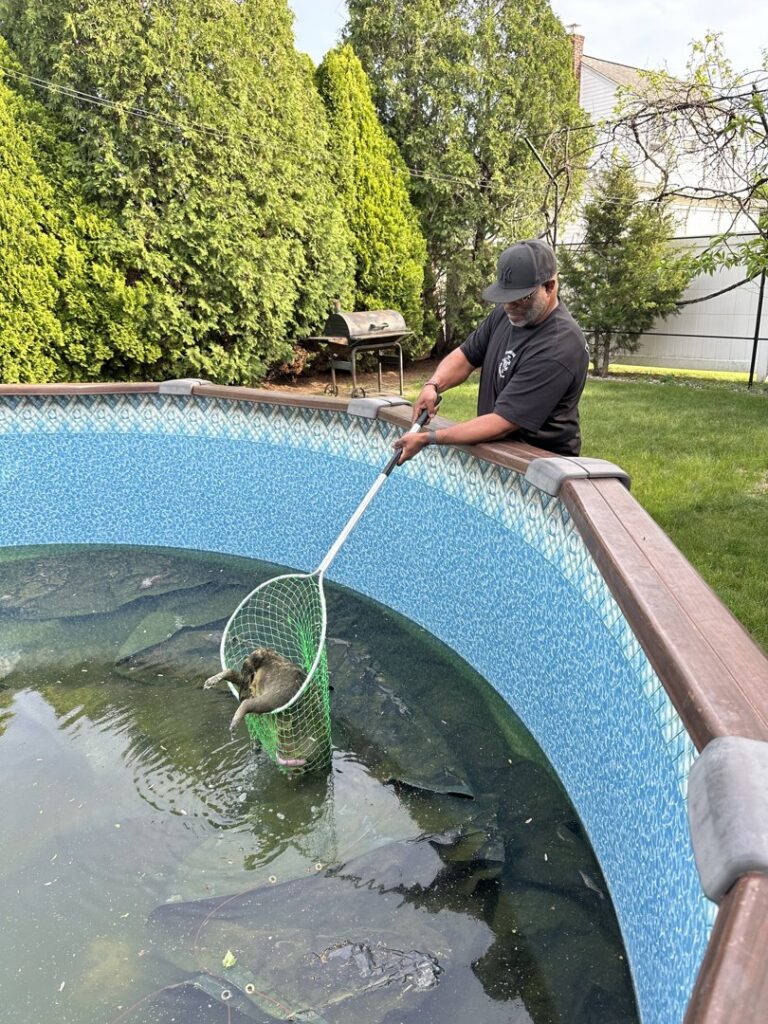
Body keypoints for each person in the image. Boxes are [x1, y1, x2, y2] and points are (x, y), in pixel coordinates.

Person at [393, 238, 589, 462]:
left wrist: (428, 438)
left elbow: (501, 423)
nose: (508, 306)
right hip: (502, 455)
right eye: (505, 297)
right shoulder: (508, 314)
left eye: (520, 298)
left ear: (550, 287)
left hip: (540, 467)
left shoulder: (559, 345)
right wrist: (433, 385)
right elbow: (466, 355)